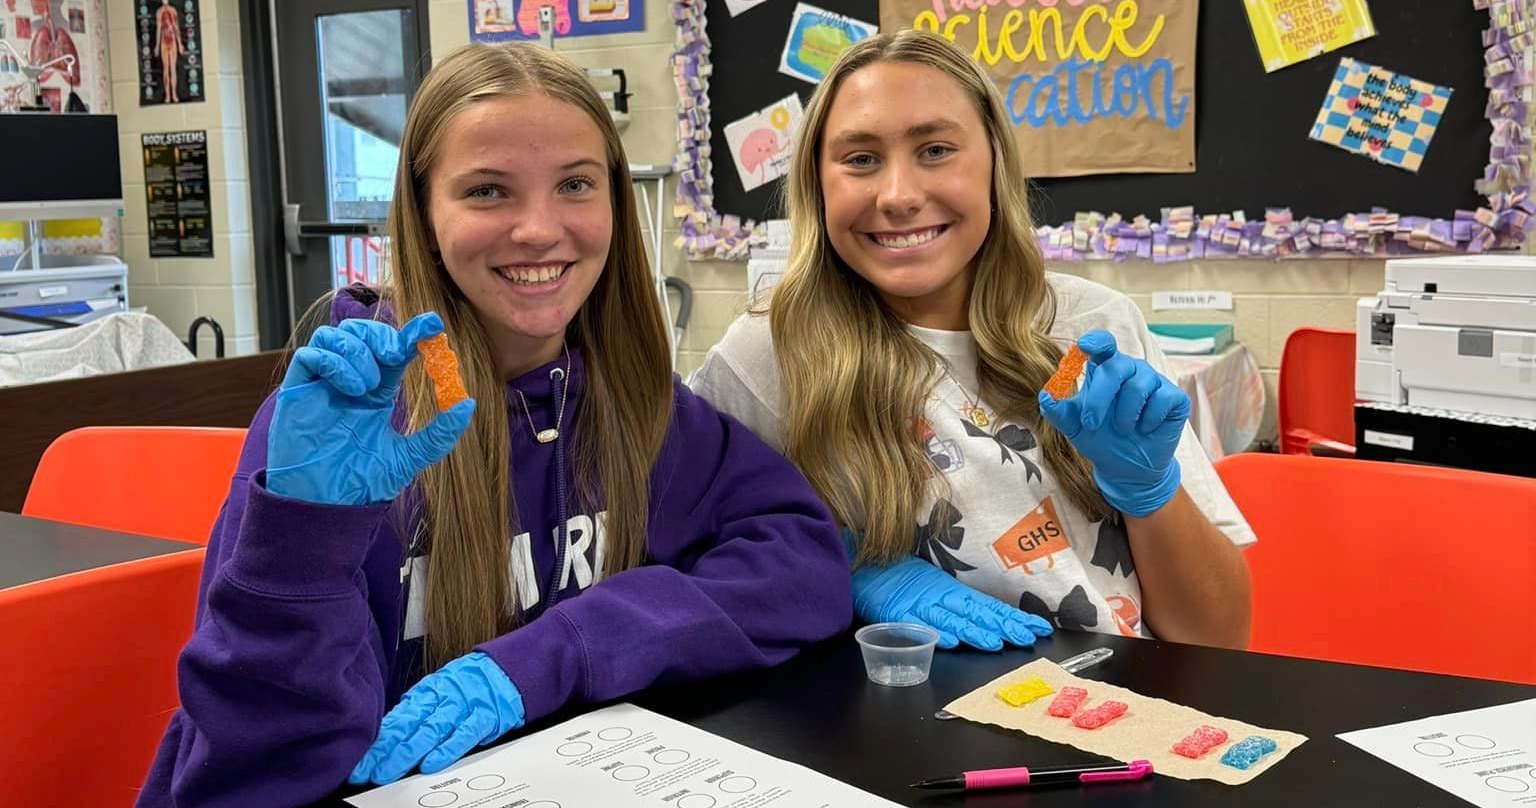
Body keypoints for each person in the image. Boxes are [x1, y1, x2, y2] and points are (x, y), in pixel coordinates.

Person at [137, 42, 851, 808]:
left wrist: (563, 651)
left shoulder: (641, 408)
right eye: (486, 192)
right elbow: (245, 775)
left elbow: (801, 560)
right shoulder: (347, 431)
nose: (539, 230)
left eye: (575, 184)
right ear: (423, 214)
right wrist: (301, 548)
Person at [690, 29, 1252, 656]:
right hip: (901, 728)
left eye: (935, 149)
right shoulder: (765, 357)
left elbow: (1217, 637)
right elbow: (697, 555)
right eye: (860, 159)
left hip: (1126, 719)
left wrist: (1149, 491)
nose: (898, 195)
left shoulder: (1095, 329)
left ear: (993, 162)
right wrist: (846, 566)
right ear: (817, 183)